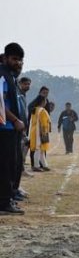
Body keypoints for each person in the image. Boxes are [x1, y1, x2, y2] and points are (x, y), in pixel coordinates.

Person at [0, 43, 25, 214]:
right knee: (5, 166)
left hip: (13, 130)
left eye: (20, 60)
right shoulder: (2, 76)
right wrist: (15, 120)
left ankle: (8, 198)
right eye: (14, 59)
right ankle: (3, 203)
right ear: (5, 58)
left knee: (13, 165)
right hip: (4, 128)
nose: (18, 63)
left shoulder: (11, 76)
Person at [29, 95, 51, 171]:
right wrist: (44, 132)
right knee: (38, 149)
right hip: (40, 132)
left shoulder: (34, 109)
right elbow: (44, 123)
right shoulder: (42, 111)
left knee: (41, 149)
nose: (46, 102)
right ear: (42, 102)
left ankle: (44, 165)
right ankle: (36, 166)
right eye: (45, 101)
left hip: (34, 131)